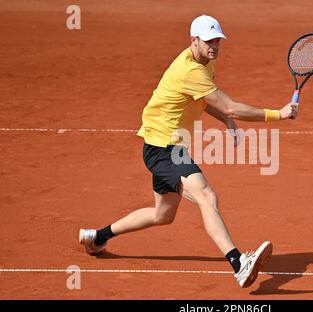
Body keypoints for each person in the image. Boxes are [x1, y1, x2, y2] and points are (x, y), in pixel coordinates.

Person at [79, 14, 297, 288]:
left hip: (166, 145)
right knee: (207, 196)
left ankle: (97, 237)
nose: (214, 46)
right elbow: (228, 104)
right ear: (193, 40)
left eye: (217, 40)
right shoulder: (190, 70)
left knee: (163, 215)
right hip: (164, 148)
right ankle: (238, 263)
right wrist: (278, 114)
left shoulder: (205, 62)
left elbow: (205, 101)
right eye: (208, 41)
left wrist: (226, 121)